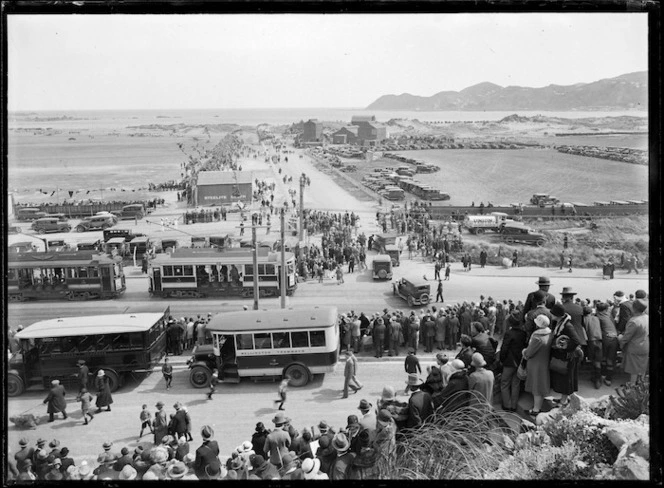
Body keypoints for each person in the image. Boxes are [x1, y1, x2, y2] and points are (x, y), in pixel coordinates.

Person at [549, 302, 584, 407]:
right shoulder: (561, 323)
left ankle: (563, 401)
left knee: (565, 379)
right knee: (562, 378)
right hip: (564, 356)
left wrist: (564, 347)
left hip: (567, 357)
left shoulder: (567, 326)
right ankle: (563, 399)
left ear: (557, 315)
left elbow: (576, 341)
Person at [522, 314, 553, 416]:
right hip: (544, 362)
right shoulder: (550, 333)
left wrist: (524, 351)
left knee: (536, 388)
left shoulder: (537, 337)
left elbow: (528, 353)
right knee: (541, 386)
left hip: (535, 365)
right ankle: (537, 407)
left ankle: (536, 410)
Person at [499, 312, 527, 412]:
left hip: (509, 362)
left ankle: (507, 405)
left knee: (505, 383)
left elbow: (504, 348)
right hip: (519, 361)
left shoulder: (509, 333)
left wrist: (502, 359)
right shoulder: (523, 333)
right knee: (516, 383)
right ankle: (514, 406)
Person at [618, 298, 649, 384]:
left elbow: (626, 337)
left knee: (634, 370)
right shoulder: (647, 317)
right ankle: (641, 384)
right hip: (645, 345)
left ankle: (632, 387)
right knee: (642, 366)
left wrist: (620, 340)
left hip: (634, 348)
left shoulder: (634, 321)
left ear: (634, 308)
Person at [596, 301, 618, 386]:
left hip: (605, 338)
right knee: (610, 359)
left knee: (604, 358)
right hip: (614, 338)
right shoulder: (610, 315)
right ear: (606, 309)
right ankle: (608, 379)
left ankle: (603, 375)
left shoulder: (597, 317)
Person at [583, 306, 603, 389]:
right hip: (599, 340)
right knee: (598, 360)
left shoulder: (584, 319)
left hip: (591, 341)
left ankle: (595, 378)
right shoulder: (596, 318)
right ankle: (598, 378)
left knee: (592, 360)